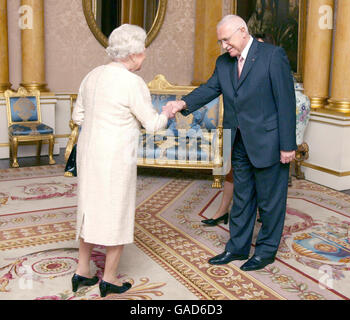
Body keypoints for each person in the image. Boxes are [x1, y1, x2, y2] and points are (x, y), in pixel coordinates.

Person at [166, 15, 296, 271]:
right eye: (220, 41)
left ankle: (265, 252)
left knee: (270, 202)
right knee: (242, 197)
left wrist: (287, 145)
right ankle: (236, 248)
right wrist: (182, 104)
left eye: (226, 39)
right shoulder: (224, 63)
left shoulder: (272, 56)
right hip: (238, 142)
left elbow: (286, 102)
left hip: (269, 142)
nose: (224, 46)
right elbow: (210, 88)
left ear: (242, 32)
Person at [70, 24, 174, 297]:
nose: (145, 54)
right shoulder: (132, 82)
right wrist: (168, 111)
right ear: (134, 54)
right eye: (143, 50)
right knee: (116, 211)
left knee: (89, 208)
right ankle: (110, 278)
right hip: (115, 156)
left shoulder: (92, 75)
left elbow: (78, 116)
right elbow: (153, 125)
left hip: (89, 154)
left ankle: (82, 271)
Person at [201, 35, 268, 227]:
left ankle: (262, 212)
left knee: (259, 177)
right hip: (235, 130)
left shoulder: (270, 66)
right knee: (230, 173)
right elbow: (212, 88)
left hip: (259, 135)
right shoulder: (228, 64)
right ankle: (223, 211)